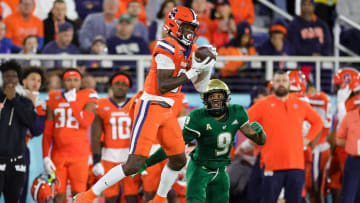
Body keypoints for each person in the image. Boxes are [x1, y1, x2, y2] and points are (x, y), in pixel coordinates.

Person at [74, 6, 216, 203]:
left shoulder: (190, 50)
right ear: (174, 26)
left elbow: (201, 88)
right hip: (150, 107)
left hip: (167, 110)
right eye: (187, 28)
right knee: (133, 164)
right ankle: (87, 196)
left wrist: (206, 68)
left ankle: (159, 199)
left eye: (193, 28)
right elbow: (163, 85)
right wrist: (192, 71)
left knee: (178, 159)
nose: (190, 33)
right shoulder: (166, 46)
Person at [135, 79, 267, 203]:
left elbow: (260, 141)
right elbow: (175, 146)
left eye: (219, 97)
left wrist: (260, 133)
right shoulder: (198, 117)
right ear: (205, 99)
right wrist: (148, 162)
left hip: (220, 169)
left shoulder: (237, 112)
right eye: (211, 97)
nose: (215, 100)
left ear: (226, 98)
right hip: (200, 169)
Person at [247, 70, 323, 203]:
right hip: (271, 165)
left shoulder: (301, 104)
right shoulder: (263, 104)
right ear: (272, 84)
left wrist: (307, 139)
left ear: (289, 84)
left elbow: (318, 122)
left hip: (296, 165)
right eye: (277, 81)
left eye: (284, 81)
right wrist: (254, 136)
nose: (281, 84)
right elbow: (243, 119)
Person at [42, 68, 98, 202]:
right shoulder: (53, 97)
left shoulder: (89, 95)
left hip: (79, 155)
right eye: (68, 80)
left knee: (78, 194)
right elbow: (48, 130)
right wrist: (45, 156)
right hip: (58, 154)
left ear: (81, 82)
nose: (72, 83)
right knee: (58, 194)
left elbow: (85, 123)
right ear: (63, 82)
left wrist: (72, 102)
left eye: (75, 80)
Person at [91, 72, 139, 203]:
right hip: (108, 157)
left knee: (131, 196)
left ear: (129, 88)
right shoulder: (101, 104)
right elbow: (95, 135)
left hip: (130, 156)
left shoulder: (136, 104)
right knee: (110, 197)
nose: (120, 87)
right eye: (117, 83)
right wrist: (96, 160)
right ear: (111, 86)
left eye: (124, 84)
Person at [0, 60, 37, 202]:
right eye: (7, 76)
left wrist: (14, 99)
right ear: (2, 78)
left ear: (18, 79)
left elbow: (30, 122)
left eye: (14, 76)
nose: (10, 79)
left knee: (14, 200)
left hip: (17, 162)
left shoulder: (25, 102)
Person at [327, 68, 360, 203]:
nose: (337, 89)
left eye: (339, 85)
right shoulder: (349, 101)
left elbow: (347, 127)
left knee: (348, 194)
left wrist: (341, 106)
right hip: (345, 150)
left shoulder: (354, 102)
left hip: (351, 153)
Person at [19, 66, 47, 203]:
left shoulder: (41, 105)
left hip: (22, 150)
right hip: (4, 149)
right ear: (23, 81)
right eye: (32, 79)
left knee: (20, 193)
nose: (36, 83)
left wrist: (32, 105)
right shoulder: (12, 97)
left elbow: (36, 130)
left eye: (39, 80)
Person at [306, 81, 332, 202]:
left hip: (317, 147)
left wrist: (311, 146)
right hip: (322, 146)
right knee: (318, 187)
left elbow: (318, 125)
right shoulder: (322, 97)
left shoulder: (317, 98)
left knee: (315, 188)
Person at [336, 92, 360, 203]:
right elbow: (338, 139)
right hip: (353, 162)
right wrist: (353, 145)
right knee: (348, 198)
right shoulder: (350, 116)